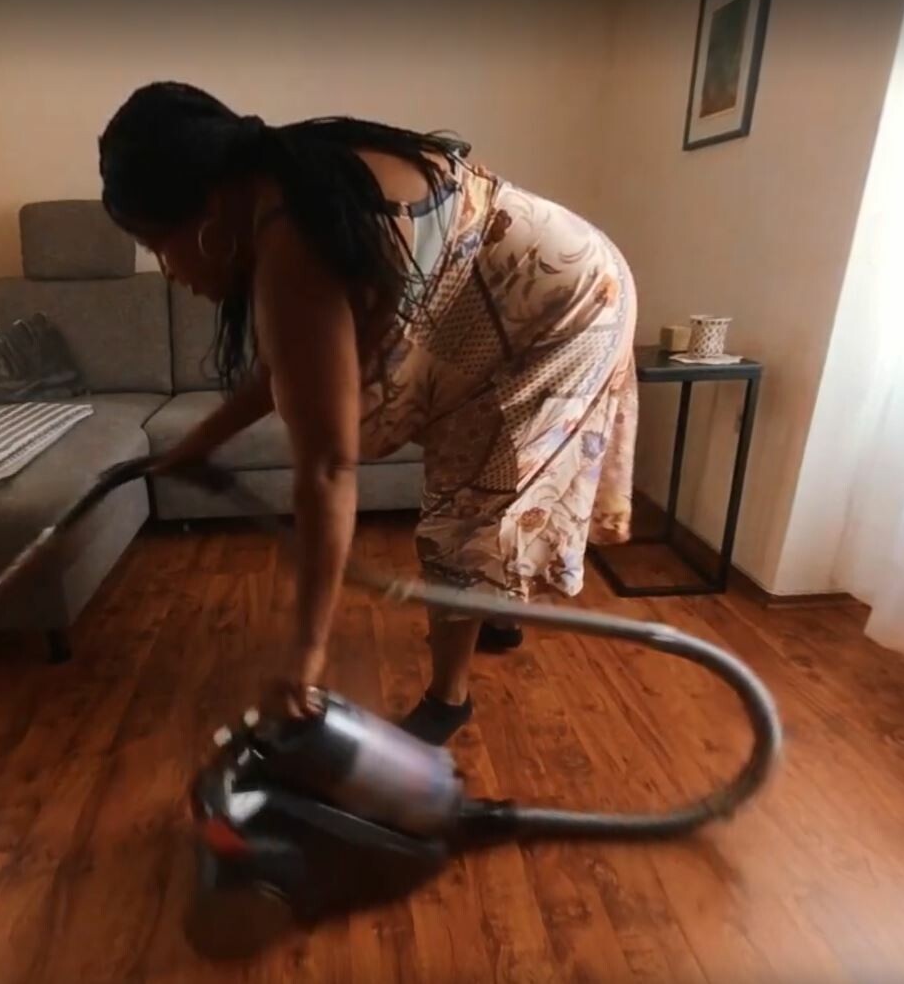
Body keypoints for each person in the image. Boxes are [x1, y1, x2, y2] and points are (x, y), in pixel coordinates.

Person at [98, 82, 637, 745]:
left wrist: (305, 656)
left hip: (564, 310)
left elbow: (327, 467)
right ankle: (489, 610)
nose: (166, 269)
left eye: (156, 243)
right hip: (528, 297)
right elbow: (298, 361)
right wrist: (206, 437)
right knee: (476, 489)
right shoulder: (287, 182)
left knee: (467, 505)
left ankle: (448, 699)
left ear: (205, 211)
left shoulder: (294, 236)